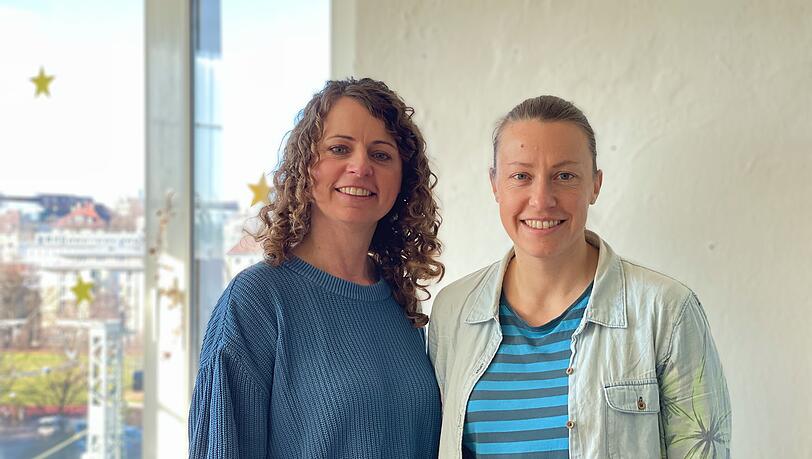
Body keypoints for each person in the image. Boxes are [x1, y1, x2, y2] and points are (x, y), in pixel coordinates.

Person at [428, 96, 731, 458]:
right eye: (521, 176)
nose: (542, 199)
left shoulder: (666, 310)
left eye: (565, 176)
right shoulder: (453, 312)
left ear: (595, 185)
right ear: (495, 184)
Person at [189, 78, 445, 458]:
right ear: (306, 168)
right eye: (339, 149)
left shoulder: (398, 303)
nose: (360, 166)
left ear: (402, 179)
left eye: (381, 154)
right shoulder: (256, 302)